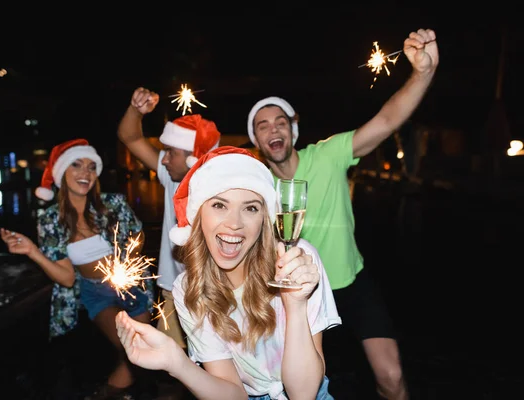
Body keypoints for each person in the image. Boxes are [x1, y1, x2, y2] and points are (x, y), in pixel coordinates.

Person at [245, 28, 439, 400]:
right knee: (298, 388)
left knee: (392, 378)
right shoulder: (254, 184)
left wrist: (423, 72)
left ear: (293, 129)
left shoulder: (329, 154)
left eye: (280, 121)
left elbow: (386, 121)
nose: (273, 129)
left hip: (351, 284)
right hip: (293, 294)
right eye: (262, 125)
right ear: (256, 139)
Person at [115, 146, 342, 400]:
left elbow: (304, 395)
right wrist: (177, 363)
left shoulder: (296, 261)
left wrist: (296, 305)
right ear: (198, 214)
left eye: (251, 208)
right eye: (220, 205)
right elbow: (234, 395)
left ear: (264, 219)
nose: (234, 223)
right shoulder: (189, 288)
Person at [0, 138, 154, 400]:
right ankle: (110, 393)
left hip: (131, 285)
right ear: (62, 173)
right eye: (77, 165)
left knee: (143, 351)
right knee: (129, 345)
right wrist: (33, 252)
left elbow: (136, 236)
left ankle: (108, 393)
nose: (86, 173)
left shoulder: (113, 204)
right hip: (95, 293)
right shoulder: (50, 219)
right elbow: (68, 278)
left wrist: (127, 262)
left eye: (92, 167)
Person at [117, 86, 221, 350]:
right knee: (170, 365)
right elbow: (129, 137)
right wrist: (135, 111)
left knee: (212, 365)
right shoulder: (172, 177)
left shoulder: (221, 192)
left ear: (191, 158)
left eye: (171, 153)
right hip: (172, 292)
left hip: (212, 295)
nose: (163, 160)